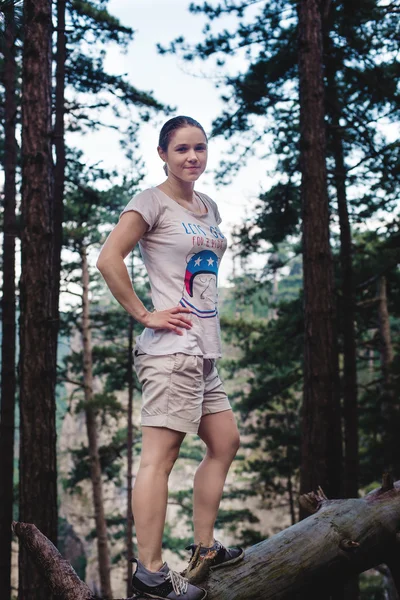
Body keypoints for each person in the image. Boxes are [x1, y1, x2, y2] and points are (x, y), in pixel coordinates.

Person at [97, 116, 243, 599]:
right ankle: (151, 575)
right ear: (163, 153)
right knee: (160, 458)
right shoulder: (150, 201)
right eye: (181, 149)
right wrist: (144, 313)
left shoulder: (208, 206)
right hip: (170, 352)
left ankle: (203, 551)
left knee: (225, 442)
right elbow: (108, 258)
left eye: (199, 148)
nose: (192, 157)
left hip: (202, 349)